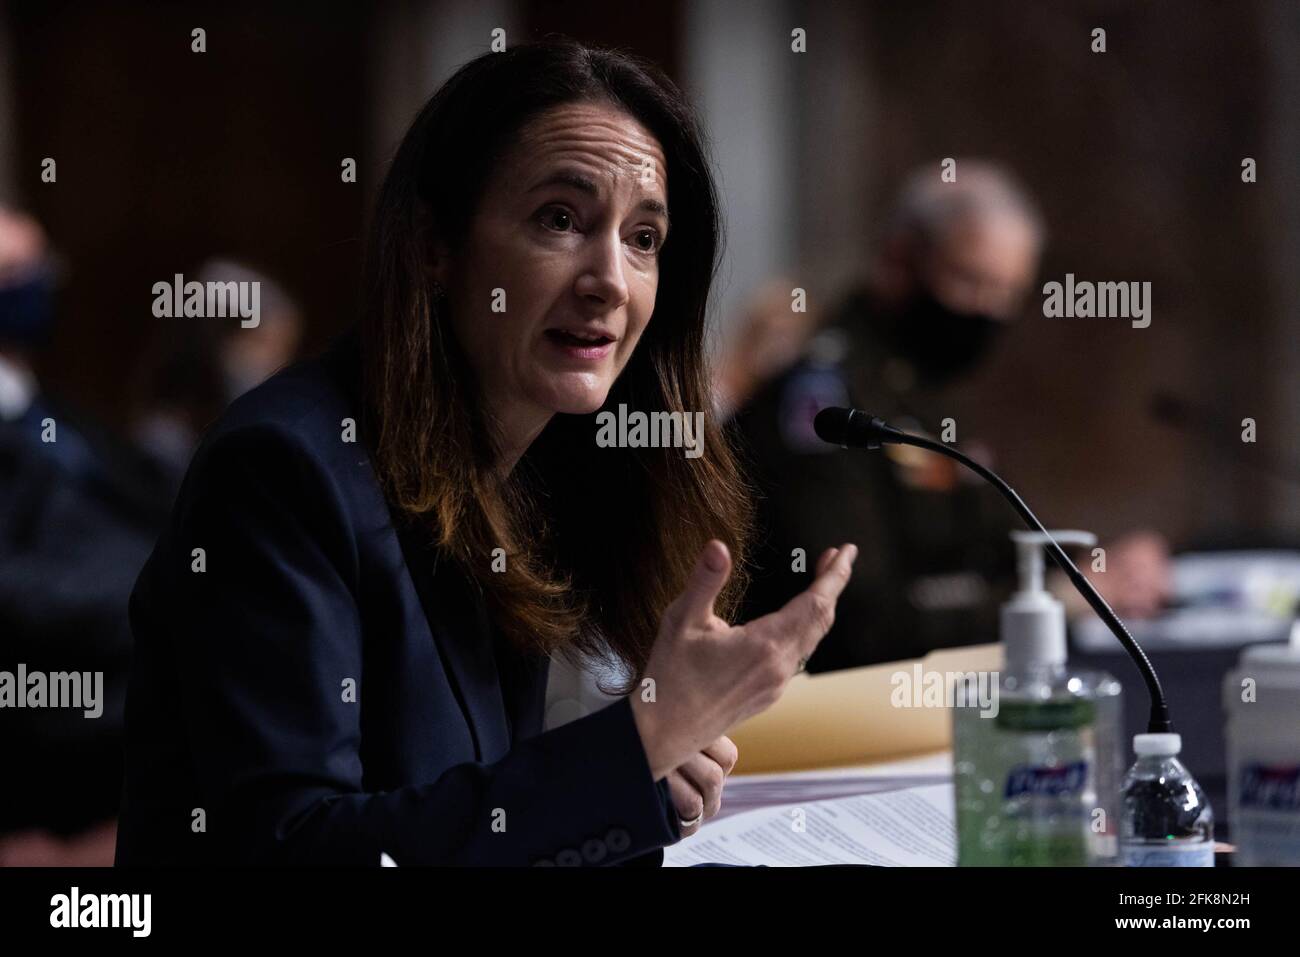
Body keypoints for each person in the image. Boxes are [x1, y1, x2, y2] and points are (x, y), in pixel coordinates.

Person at [114, 40, 858, 867]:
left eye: (644, 237)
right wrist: (634, 746)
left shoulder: (541, 465)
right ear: (436, 246)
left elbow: (470, 808)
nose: (610, 278)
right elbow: (298, 849)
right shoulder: (281, 471)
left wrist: (640, 778)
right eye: (561, 219)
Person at [732, 161, 1168, 671]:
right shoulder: (825, 396)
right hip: (830, 711)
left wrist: (1094, 570)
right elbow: (854, 617)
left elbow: (990, 534)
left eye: (1006, 294)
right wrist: (1055, 601)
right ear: (899, 259)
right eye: (969, 282)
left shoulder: (926, 385)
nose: (985, 314)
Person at [0, 207, 170, 864]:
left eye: (40, 268)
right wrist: (150, 598)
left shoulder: (56, 411)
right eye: (16, 272)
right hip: (72, 695)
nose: (41, 284)